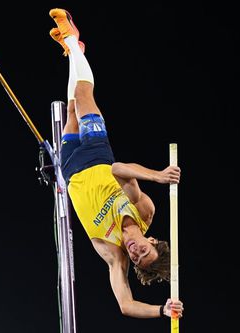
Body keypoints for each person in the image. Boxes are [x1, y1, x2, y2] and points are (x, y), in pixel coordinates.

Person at [49, 8, 184, 319]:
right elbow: (119, 170)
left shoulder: (114, 255)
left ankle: (74, 51)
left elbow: (125, 305)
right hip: (98, 155)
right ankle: (71, 37)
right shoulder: (144, 210)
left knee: (71, 111)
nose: (136, 253)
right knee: (84, 94)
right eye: (145, 252)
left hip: (71, 169)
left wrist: (161, 310)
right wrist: (158, 176)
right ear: (152, 241)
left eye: (137, 260)